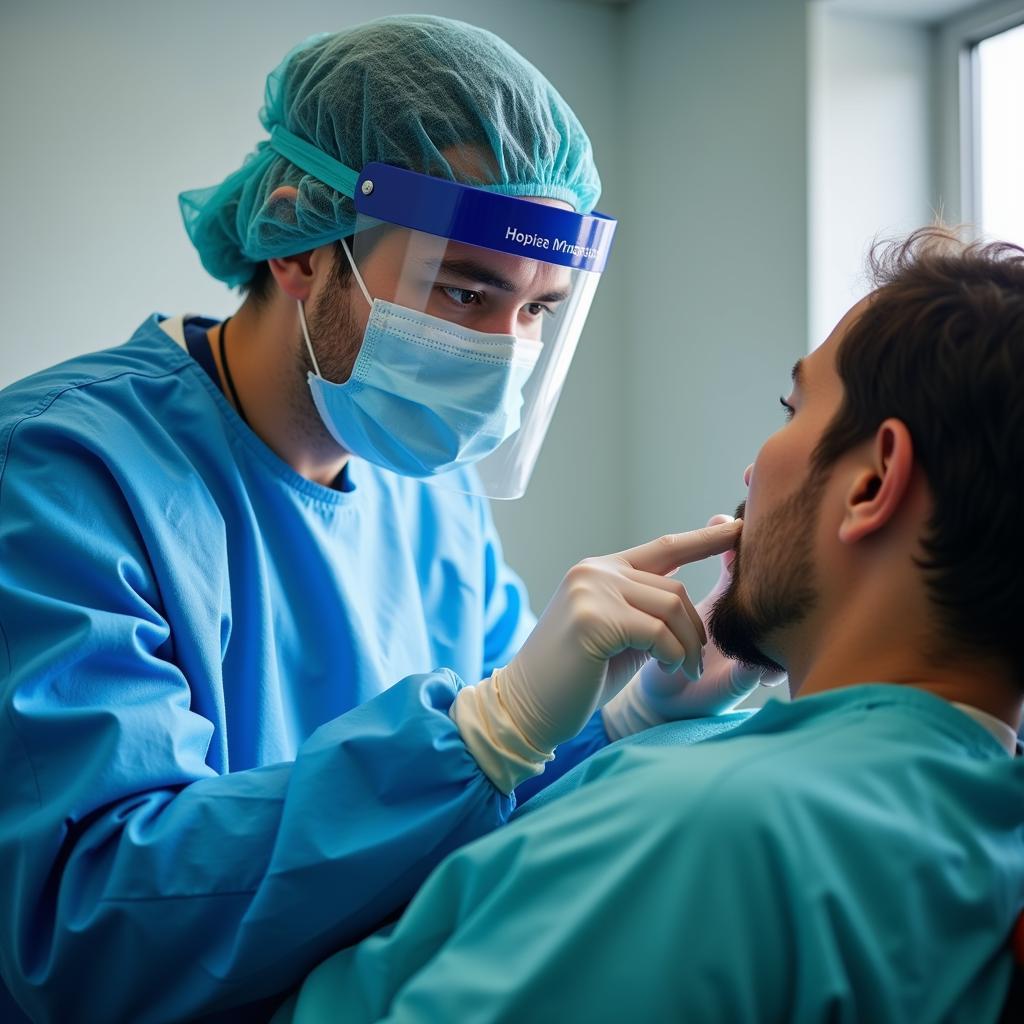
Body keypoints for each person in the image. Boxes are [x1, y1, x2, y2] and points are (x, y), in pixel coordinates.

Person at [0, 16, 768, 1023]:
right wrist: (484, 731)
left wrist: (617, 720)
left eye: (537, 309)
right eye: (463, 288)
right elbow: (80, 934)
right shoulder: (64, 469)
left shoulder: (427, 487)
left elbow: (473, 821)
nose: (503, 350)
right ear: (302, 246)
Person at [268, 227, 1024, 1024]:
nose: (750, 471)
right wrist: (624, 724)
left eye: (791, 408)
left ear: (873, 481)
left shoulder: (709, 836)